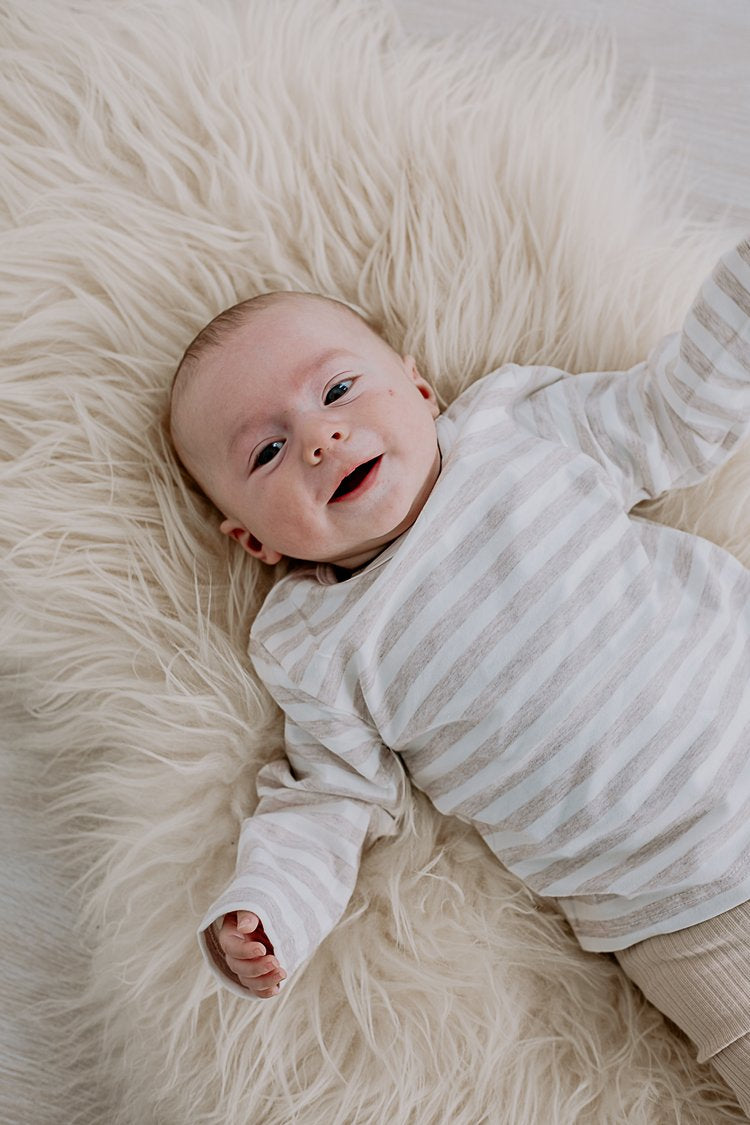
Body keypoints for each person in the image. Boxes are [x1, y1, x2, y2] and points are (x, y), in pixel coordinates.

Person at [169, 238, 750, 1113]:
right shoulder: (315, 643)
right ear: (255, 540)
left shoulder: (518, 430)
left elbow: (673, 416)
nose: (322, 438)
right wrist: (268, 909)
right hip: (682, 916)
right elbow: (331, 801)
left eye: (338, 391)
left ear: (420, 388)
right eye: (267, 453)